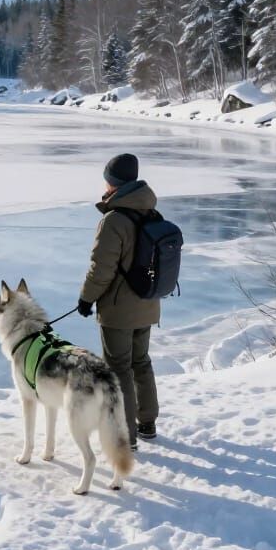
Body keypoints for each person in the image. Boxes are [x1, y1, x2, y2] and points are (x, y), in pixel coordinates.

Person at [76, 152, 159, 448]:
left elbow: (101, 269)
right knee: (141, 362)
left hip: (118, 310)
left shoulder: (114, 220)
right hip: (148, 304)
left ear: (114, 183)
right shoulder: (150, 212)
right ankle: (147, 423)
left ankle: (125, 435)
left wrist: (86, 298)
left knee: (119, 368)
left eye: (107, 180)